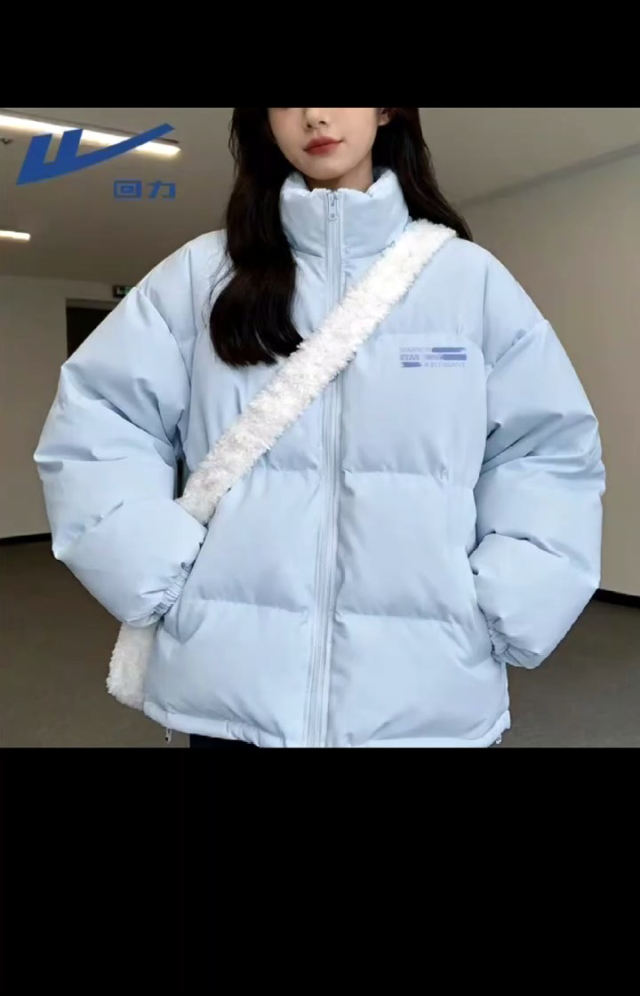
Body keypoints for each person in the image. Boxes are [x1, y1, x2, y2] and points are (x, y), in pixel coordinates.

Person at [34, 108, 605, 748]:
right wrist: (153, 573)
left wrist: (507, 604)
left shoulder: (468, 281)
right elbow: (99, 421)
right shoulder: (201, 276)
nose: (315, 116)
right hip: (232, 686)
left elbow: (547, 450)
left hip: (423, 691)